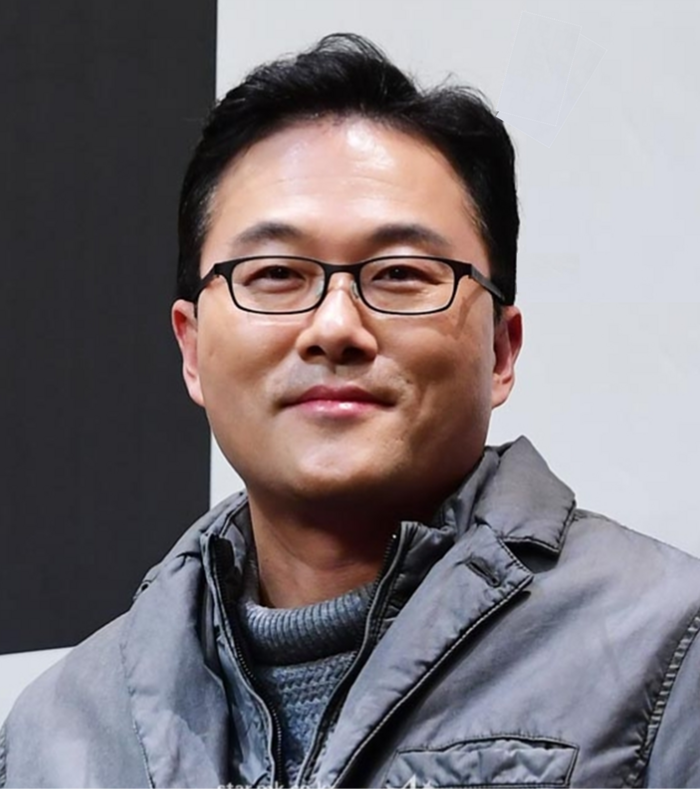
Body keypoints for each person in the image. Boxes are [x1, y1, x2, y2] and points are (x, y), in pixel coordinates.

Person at [2, 33, 700, 789]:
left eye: (400, 273)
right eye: (275, 273)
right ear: (192, 349)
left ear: (501, 349)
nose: (335, 326)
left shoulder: (671, 648)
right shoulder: (59, 731)